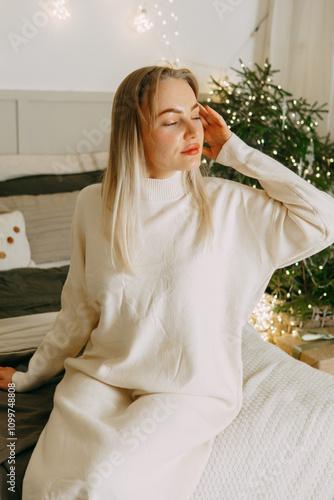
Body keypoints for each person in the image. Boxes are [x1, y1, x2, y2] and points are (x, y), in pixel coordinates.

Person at [1, 65, 334, 500]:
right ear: (134, 132)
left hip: (189, 388)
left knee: (105, 482)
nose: (192, 130)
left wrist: (235, 151)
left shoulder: (227, 204)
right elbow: (78, 309)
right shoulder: (92, 204)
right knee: (52, 485)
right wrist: (31, 377)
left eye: (196, 115)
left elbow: (322, 218)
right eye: (171, 120)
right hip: (102, 378)